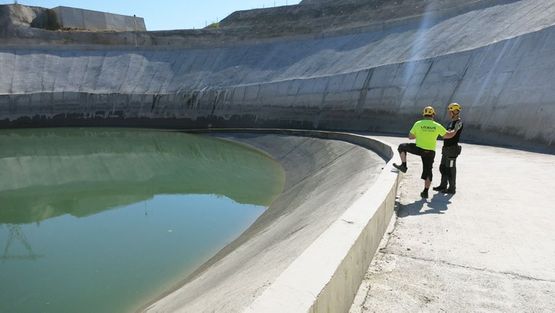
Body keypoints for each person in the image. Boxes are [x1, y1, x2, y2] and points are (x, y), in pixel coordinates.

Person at [393, 106, 456, 198]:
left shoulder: (418, 123)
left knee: (402, 147)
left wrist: (419, 134)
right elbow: (448, 135)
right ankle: (425, 192)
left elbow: (410, 137)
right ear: (433, 115)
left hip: (419, 149)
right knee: (428, 171)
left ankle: (404, 165)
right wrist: (456, 130)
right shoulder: (436, 125)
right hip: (430, 152)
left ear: (424, 115)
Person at [433, 103, 463, 194]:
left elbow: (450, 134)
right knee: (443, 167)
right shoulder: (451, 123)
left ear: (456, 111)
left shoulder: (458, 123)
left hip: (452, 149)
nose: (449, 113)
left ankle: (452, 188)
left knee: (450, 169)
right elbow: (446, 134)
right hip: (446, 149)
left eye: (451, 111)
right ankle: (443, 185)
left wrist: (446, 134)